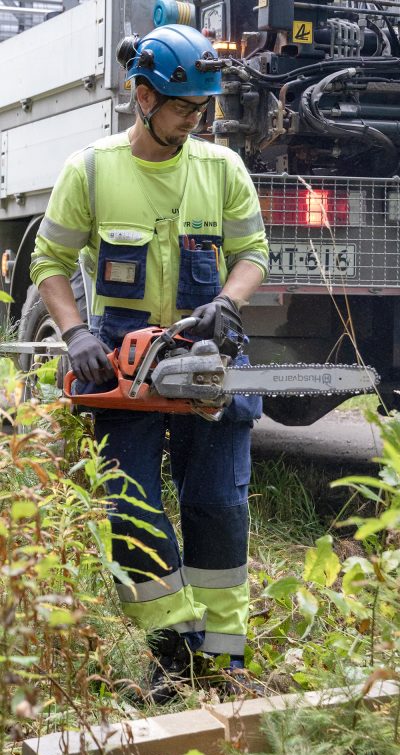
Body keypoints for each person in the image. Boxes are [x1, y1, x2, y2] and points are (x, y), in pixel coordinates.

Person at [30, 23, 269, 702]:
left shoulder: (221, 169)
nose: (194, 120)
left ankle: (225, 658)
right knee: (130, 509)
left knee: (218, 505)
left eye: (202, 109)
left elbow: (253, 251)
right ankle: (173, 653)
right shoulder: (94, 169)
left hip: (205, 352)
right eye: (182, 108)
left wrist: (229, 300)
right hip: (122, 359)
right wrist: (76, 333)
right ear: (141, 95)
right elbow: (49, 261)